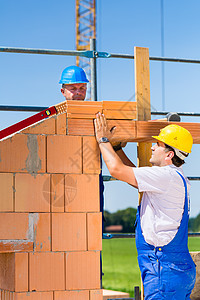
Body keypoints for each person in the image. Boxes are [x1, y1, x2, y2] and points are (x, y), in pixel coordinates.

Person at [94, 112, 196, 300]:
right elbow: (133, 176)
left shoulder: (165, 176)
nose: (152, 148)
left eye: (158, 145)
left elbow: (116, 170)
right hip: (174, 268)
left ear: (169, 154)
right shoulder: (173, 177)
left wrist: (103, 139)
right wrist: (116, 150)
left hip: (163, 270)